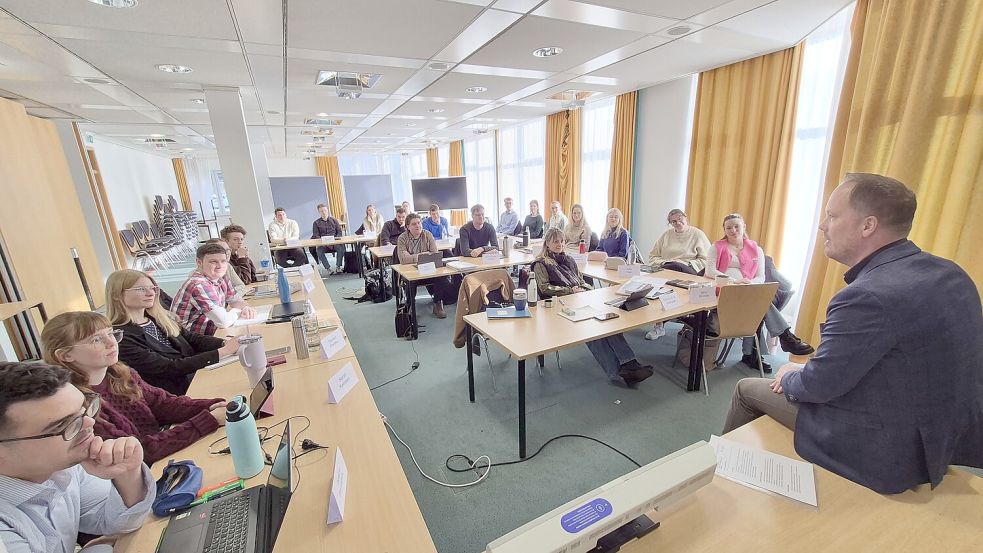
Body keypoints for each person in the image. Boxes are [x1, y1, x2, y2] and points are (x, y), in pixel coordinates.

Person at [722, 173, 983, 494]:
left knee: (747, 388)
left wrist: (791, 375)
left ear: (867, 226)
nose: (822, 225)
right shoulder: (951, 273)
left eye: (832, 216)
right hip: (942, 435)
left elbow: (818, 387)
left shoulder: (866, 296)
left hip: (885, 447)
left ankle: (719, 483)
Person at [0, 362, 156, 553]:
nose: (89, 423)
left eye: (85, 409)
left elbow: (118, 522)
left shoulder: (63, 467)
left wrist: (127, 473)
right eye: (63, 426)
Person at [41, 312, 227, 466]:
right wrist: (206, 420)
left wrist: (213, 405)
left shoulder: (120, 374)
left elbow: (163, 404)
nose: (111, 342)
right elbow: (138, 452)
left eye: (111, 334)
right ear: (66, 355)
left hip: (159, 457)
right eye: (96, 340)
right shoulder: (77, 405)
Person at [532, 229, 653, 386]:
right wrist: (571, 290)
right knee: (591, 330)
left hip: (579, 300)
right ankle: (617, 372)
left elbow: (580, 281)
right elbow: (544, 288)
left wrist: (586, 290)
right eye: (555, 241)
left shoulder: (568, 259)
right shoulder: (541, 263)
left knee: (607, 321)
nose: (560, 244)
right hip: (558, 306)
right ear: (547, 243)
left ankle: (629, 363)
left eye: (562, 241)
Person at [106, 269, 240, 395]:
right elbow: (168, 367)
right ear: (117, 295)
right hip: (177, 393)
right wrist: (223, 352)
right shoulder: (120, 338)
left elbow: (193, 339)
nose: (151, 293)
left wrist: (225, 343)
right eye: (141, 289)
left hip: (195, 377)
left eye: (153, 288)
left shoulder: (159, 319)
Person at [706, 213, 813, 371]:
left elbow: (761, 276)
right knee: (761, 306)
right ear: (724, 229)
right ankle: (785, 337)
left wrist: (748, 282)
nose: (733, 230)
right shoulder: (717, 246)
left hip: (748, 290)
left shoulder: (756, 249)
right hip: (723, 290)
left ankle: (754, 353)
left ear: (744, 227)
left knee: (758, 305)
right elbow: (710, 270)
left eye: (737, 226)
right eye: (728, 227)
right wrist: (734, 281)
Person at [170, 243, 256, 336]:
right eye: (213, 262)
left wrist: (245, 308)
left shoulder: (221, 276)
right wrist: (238, 311)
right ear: (199, 263)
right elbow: (224, 322)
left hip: (213, 333)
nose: (220, 266)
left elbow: (234, 300)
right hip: (193, 340)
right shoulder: (199, 284)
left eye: (223, 261)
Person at [397, 213, 452, 319]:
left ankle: (437, 304)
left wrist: (413, 256)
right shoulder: (402, 238)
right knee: (410, 280)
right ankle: (410, 306)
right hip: (411, 271)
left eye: (419, 223)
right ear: (408, 227)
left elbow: (434, 255)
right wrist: (421, 256)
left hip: (428, 269)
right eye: (414, 224)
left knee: (441, 275)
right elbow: (403, 259)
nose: (418, 226)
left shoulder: (428, 235)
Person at [648, 209, 711, 275]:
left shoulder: (698, 234)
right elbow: (653, 256)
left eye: (680, 219)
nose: (678, 223)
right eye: (674, 221)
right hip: (667, 266)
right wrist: (665, 262)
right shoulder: (666, 235)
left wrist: (687, 263)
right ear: (671, 223)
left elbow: (707, 259)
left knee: (676, 266)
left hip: (688, 268)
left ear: (686, 217)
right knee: (672, 266)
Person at [312, 203, 344, 275]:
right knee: (319, 251)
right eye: (321, 211)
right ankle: (328, 268)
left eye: (325, 210)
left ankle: (338, 267)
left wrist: (335, 239)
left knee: (341, 248)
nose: (324, 212)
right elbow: (316, 236)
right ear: (319, 212)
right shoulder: (316, 223)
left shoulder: (334, 220)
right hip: (323, 244)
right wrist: (324, 242)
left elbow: (339, 232)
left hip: (334, 242)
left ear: (327, 210)